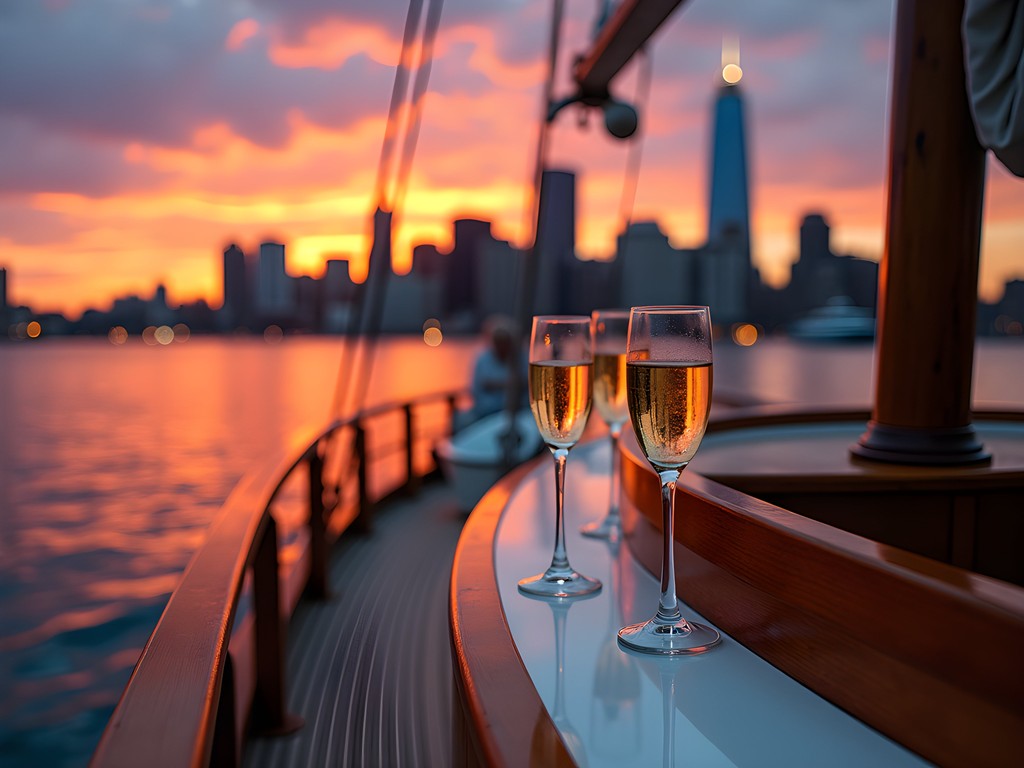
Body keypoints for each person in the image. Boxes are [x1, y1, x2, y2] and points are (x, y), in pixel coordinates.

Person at [455, 316, 526, 431]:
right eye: (498, 341)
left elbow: (526, 383)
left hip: (516, 413)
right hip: (486, 413)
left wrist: (496, 385)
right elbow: (476, 389)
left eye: (504, 341)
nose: (501, 345)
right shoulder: (483, 360)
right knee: (460, 420)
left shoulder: (520, 359)